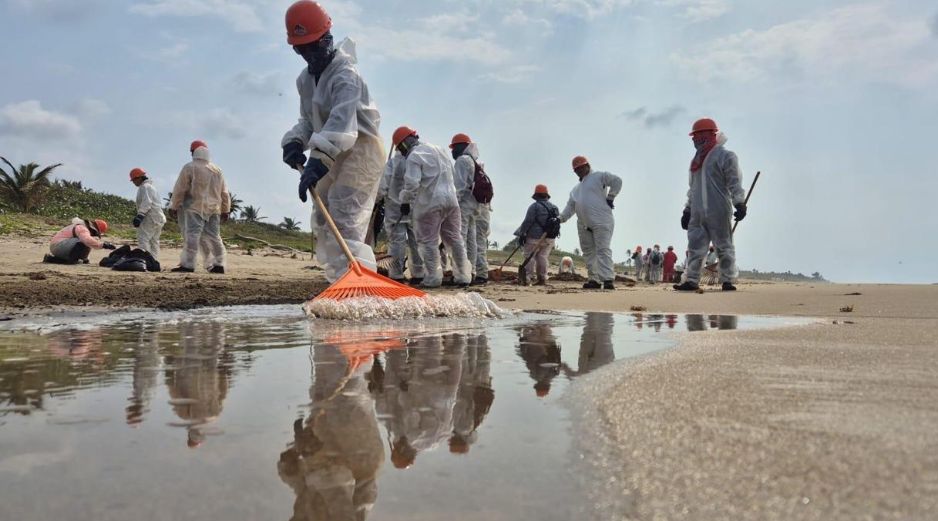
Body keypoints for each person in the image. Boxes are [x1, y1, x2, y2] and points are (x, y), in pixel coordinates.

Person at [281, 0, 385, 283]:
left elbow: (342, 123)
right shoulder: (305, 80)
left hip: (361, 149)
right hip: (330, 150)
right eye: (302, 49)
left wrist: (318, 158)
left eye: (313, 45)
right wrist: (294, 141)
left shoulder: (346, 75)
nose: (308, 54)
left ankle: (359, 285)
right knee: (324, 220)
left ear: (327, 37)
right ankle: (340, 282)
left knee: (344, 215)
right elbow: (308, 120)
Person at [393, 126, 471, 288]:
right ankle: (463, 276)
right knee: (455, 239)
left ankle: (433, 278)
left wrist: (405, 202)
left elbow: (412, 183)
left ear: (404, 143)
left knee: (428, 241)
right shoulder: (439, 149)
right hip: (451, 201)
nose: (401, 151)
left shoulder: (414, 156)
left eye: (400, 148)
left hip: (430, 204)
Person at [675, 118, 747, 292]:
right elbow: (693, 188)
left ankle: (727, 280)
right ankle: (691, 280)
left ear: (706, 135)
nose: (693, 140)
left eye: (695, 136)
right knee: (695, 248)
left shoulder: (725, 156)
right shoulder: (696, 162)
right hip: (697, 212)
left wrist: (739, 203)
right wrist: (687, 209)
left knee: (724, 246)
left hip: (719, 209)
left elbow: (734, 181)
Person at [559, 155, 622, 290]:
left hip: (602, 221)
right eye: (577, 169)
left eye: (582, 167)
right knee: (588, 252)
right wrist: (560, 219)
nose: (580, 170)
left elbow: (617, 181)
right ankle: (594, 279)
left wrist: (611, 197)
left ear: (588, 165)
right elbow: (570, 208)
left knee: (603, 250)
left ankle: (608, 280)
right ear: (575, 171)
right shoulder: (575, 190)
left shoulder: (599, 176)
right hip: (583, 224)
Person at [169, 140, 230, 274]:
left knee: (192, 235)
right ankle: (219, 264)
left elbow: (180, 188)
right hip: (214, 209)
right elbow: (224, 192)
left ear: (193, 152)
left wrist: (174, 205)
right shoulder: (217, 170)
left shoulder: (189, 167)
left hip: (194, 207)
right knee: (215, 237)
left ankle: (188, 265)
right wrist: (226, 210)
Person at [377, 152, 425, 284]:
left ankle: (396, 275)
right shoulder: (416, 162)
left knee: (397, 243)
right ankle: (419, 274)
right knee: (416, 242)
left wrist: (377, 199)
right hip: (414, 208)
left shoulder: (392, 163)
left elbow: (382, 187)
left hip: (394, 210)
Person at [450, 133, 490, 285]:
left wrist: (453, 205)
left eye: (453, 148)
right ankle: (471, 272)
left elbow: (459, 187)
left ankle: (462, 275)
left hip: (464, 206)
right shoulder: (473, 161)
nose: (452, 151)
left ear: (460, 147)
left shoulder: (462, 160)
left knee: (460, 238)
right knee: (471, 240)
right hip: (475, 207)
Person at [513, 184, 560, 286]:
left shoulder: (534, 206)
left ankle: (527, 278)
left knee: (529, 256)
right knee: (543, 257)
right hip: (549, 238)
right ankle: (542, 278)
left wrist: (522, 234)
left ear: (536, 196)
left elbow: (528, 222)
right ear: (546, 195)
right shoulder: (555, 207)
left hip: (534, 237)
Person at [129, 168, 166, 262]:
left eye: (134, 180)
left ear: (139, 178)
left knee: (143, 239)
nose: (133, 182)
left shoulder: (145, 187)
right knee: (154, 241)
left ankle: (145, 261)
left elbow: (147, 202)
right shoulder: (151, 187)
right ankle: (153, 262)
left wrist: (140, 215)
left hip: (150, 218)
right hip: (158, 218)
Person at [46, 218, 115, 264]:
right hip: (58, 245)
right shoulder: (82, 228)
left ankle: (54, 259)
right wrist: (103, 245)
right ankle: (71, 260)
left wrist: (85, 259)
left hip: (59, 245)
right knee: (84, 241)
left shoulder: (81, 227)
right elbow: (87, 240)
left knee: (86, 242)